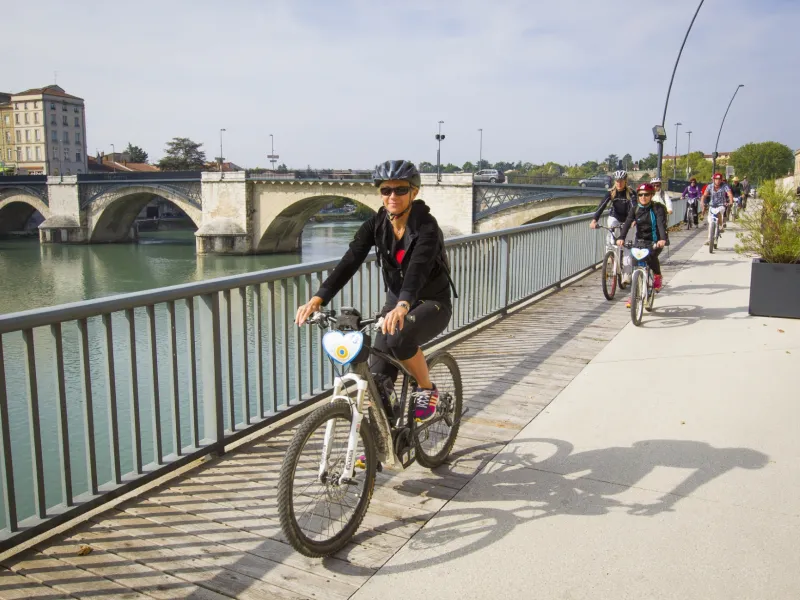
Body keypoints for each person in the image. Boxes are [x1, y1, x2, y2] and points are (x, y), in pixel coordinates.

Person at [294, 160, 453, 423]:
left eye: (400, 190)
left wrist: (403, 305)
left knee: (399, 338)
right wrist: (317, 299)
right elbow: (350, 260)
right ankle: (378, 445)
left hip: (431, 302)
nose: (392, 196)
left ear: (414, 192)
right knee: (378, 383)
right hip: (396, 304)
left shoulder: (427, 227)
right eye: (386, 190)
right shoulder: (376, 224)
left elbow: (417, 269)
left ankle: (426, 388)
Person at [618, 183, 668, 308]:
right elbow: (628, 223)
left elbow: (661, 224)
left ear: (651, 195)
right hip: (640, 240)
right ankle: (634, 294)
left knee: (651, 257)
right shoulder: (635, 208)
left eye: (646, 194)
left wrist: (662, 239)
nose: (643, 197)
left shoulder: (657, 208)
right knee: (635, 262)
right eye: (640, 194)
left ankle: (657, 275)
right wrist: (621, 238)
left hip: (655, 240)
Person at [589, 169, 636, 284]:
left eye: (621, 181)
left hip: (628, 219)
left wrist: (634, 219)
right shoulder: (611, 193)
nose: (619, 183)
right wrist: (594, 220)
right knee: (611, 226)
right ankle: (610, 251)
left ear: (625, 181)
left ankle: (626, 273)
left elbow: (634, 207)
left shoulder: (631, 193)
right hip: (615, 217)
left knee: (627, 247)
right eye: (617, 181)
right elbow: (601, 206)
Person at [701, 173, 734, 241]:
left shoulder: (725, 186)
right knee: (710, 223)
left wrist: (731, 202)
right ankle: (709, 239)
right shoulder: (710, 186)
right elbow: (704, 195)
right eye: (716, 179)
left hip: (721, 205)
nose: (718, 181)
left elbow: (730, 194)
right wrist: (702, 202)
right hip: (712, 205)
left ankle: (721, 225)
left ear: (721, 180)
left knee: (719, 212)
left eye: (719, 179)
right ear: (713, 180)